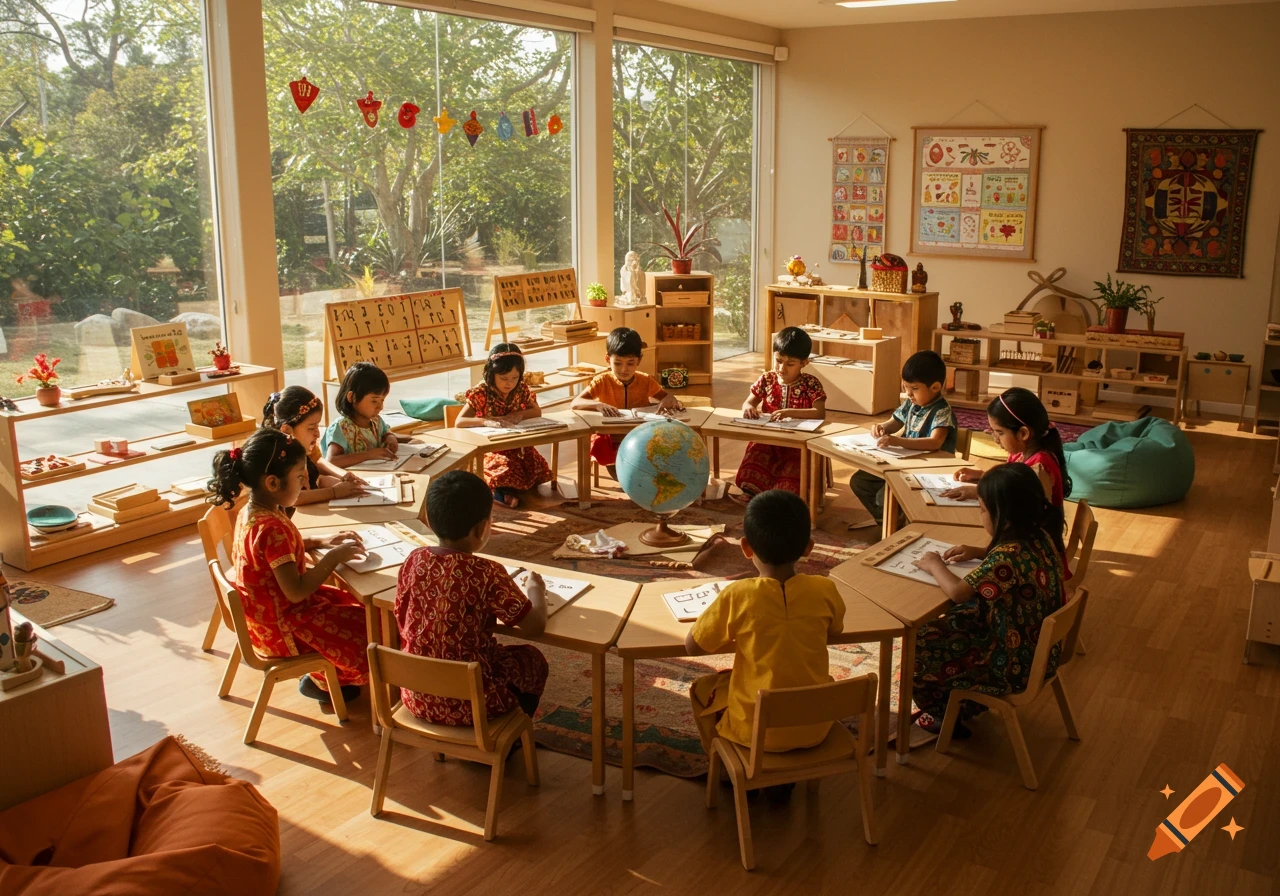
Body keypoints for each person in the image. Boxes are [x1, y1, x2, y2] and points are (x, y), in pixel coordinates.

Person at [686, 489, 845, 801]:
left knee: (702, 690)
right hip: (816, 724)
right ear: (809, 547)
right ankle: (779, 781)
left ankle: (730, 768)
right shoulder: (826, 590)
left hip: (755, 729)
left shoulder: (737, 595)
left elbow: (694, 647)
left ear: (745, 548)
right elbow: (835, 631)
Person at [208, 428, 370, 703]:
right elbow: (296, 592)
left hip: (267, 621)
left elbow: (277, 554)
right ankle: (321, 681)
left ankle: (326, 678)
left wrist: (322, 540)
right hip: (285, 629)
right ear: (272, 483)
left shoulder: (254, 510)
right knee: (369, 635)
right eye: (300, 476)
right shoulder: (271, 528)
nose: (307, 483)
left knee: (361, 615)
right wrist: (334, 557)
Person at [910, 463, 1068, 738]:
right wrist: (981, 551)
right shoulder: (1041, 535)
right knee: (954, 622)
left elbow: (959, 592)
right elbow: (1011, 565)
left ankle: (948, 713)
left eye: (982, 509)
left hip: (1011, 664)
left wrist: (935, 565)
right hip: (1039, 649)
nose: (979, 514)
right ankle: (958, 707)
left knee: (920, 643)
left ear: (1004, 518)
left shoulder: (1006, 557)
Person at [394, 470, 549, 726]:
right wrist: (536, 590)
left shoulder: (413, 560)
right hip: (475, 704)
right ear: (481, 528)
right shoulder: (486, 573)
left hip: (417, 697)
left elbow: (401, 614)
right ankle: (508, 737)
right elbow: (535, 625)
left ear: (429, 520)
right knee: (532, 659)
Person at [851, 350, 955, 526]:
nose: (908, 394)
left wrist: (897, 440)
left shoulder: (942, 410)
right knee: (860, 481)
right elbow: (894, 423)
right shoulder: (911, 403)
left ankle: (901, 522)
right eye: (905, 387)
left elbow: (935, 442)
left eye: (914, 389)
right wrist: (881, 428)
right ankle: (888, 522)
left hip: (928, 468)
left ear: (935, 387)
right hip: (902, 463)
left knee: (884, 495)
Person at [572, 327, 682, 478]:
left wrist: (669, 397)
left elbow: (667, 397)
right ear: (607, 359)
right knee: (606, 453)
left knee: (663, 447)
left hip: (639, 435)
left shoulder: (646, 381)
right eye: (617, 363)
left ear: (639, 360)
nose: (624, 369)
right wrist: (598, 405)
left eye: (630, 363)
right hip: (611, 437)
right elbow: (576, 402)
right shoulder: (602, 380)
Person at [734, 327, 827, 499]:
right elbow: (748, 403)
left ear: (804, 362)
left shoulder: (811, 384)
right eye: (778, 360)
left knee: (789, 484)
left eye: (790, 364)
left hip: (798, 446)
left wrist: (789, 413)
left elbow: (820, 413)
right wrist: (748, 408)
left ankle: (777, 499)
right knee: (749, 471)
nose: (782, 368)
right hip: (767, 441)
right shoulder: (767, 379)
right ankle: (756, 495)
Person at [457, 344, 553, 508]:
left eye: (514, 378)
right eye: (503, 378)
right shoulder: (481, 392)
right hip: (491, 448)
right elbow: (460, 421)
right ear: (491, 373)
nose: (509, 384)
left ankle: (507, 490)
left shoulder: (521, 388)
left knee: (537, 467)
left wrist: (520, 414)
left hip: (517, 446)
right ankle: (498, 493)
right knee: (506, 468)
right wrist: (485, 421)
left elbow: (537, 411)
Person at [941, 387, 1072, 507]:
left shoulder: (1039, 467)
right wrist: (982, 475)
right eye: (992, 431)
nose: (995, 438)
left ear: (1023, 433)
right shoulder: (1021, 453)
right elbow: (1012, 483)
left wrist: (979, 492)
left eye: (1000, 432)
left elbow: (1019, 500)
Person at [261, 386, 367, 509]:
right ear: (286, 430)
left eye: (318, 426)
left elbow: (318, 469)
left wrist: (344, 477)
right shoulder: (278, 458)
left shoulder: (302, 447)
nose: (317, 433)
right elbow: (295, 497)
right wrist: (334, 492)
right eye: (311, 428)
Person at [324, 361, 398, 468]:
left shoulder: (375, 421)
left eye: (382, 400)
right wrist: (368, 455)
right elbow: (331, 461)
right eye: (374, 401)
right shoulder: (342, 427)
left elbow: (385, 433)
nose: (380, 407)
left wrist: (391, 437)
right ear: (352, 397)